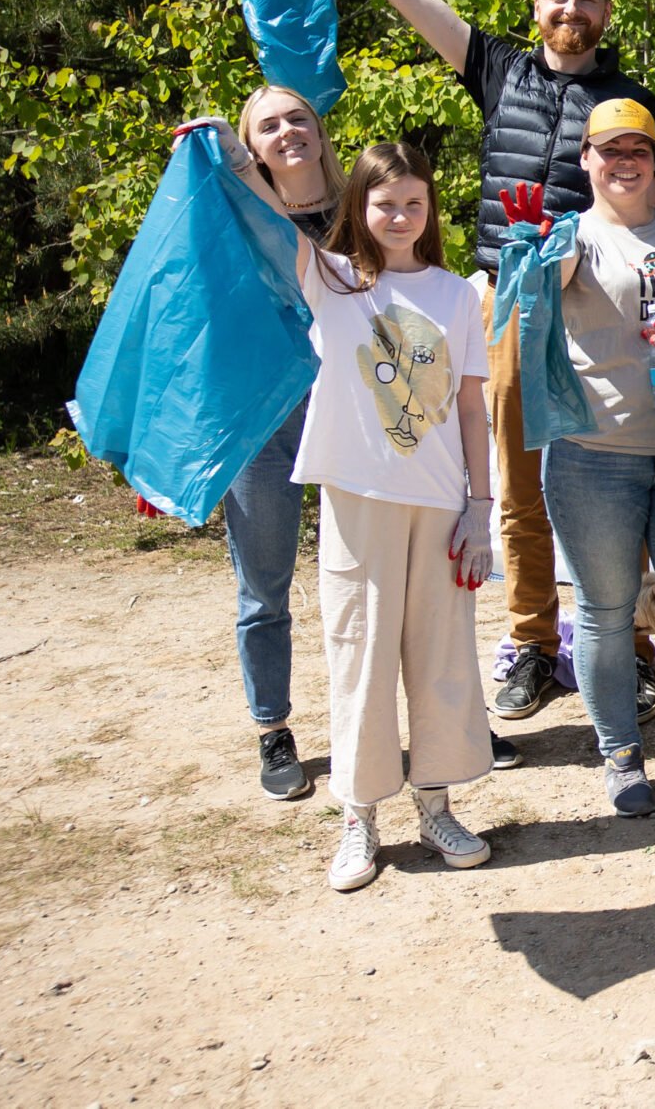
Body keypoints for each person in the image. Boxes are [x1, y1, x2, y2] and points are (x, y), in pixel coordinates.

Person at [302, 0, 655, 725]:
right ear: (537, 8)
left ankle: (624, 646)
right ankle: (535, 644)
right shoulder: (502, 70)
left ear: (607, 15)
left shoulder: (629, 101)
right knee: (521, 484)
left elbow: (649, 211)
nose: (570, 10)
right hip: (504, 301)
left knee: (609, 478)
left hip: (593, 309)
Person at [215, 136, 497, 891]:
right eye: (384, 203)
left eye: (413, 202)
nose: (399, 215)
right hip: (358, 502)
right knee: (361, 658)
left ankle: (434, 803)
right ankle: (360, 819)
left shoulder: (457, 294)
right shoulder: (332, 280)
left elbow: (472, 407)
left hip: (441, 507)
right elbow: (273, 220)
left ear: (431, 207)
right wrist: (235, 158)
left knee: (439, 660)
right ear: (358, 207)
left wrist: (480, 506)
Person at [506, 98, 655, 817]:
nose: (624, 160)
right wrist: (532, 252)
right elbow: (532, 299)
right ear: (587, 161)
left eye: (637, 146)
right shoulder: (574, 238)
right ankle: (622, 753)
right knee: (606, 614)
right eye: (608, 150)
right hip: (593, 457)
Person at [207, 86, 345, 801]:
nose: (287, 131)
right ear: (250, 147)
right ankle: (273, 728)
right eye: (267, 126)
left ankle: (413, 721)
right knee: (264, 587)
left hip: (359, 415)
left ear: (320, 132)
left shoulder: (364, 205)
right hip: (266, 419)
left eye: (298, 118)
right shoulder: (231, 219)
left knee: (385, 579)